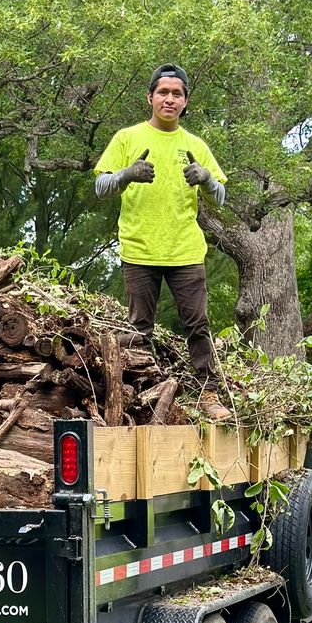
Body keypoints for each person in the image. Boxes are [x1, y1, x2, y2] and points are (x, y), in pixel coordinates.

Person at [94, 64, 231, 422]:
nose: (169, 99)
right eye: (163, 92)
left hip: (185, 250)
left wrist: (205, 178)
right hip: (139, 249)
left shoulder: (195, 145)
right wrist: (127, 174)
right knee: (139, 329)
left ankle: (208, 393)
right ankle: (144, 393)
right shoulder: (127, 138)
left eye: (177, 94)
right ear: (150, 97)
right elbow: (101, 187)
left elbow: (220, 197)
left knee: (198, 325)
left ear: (185, 102)